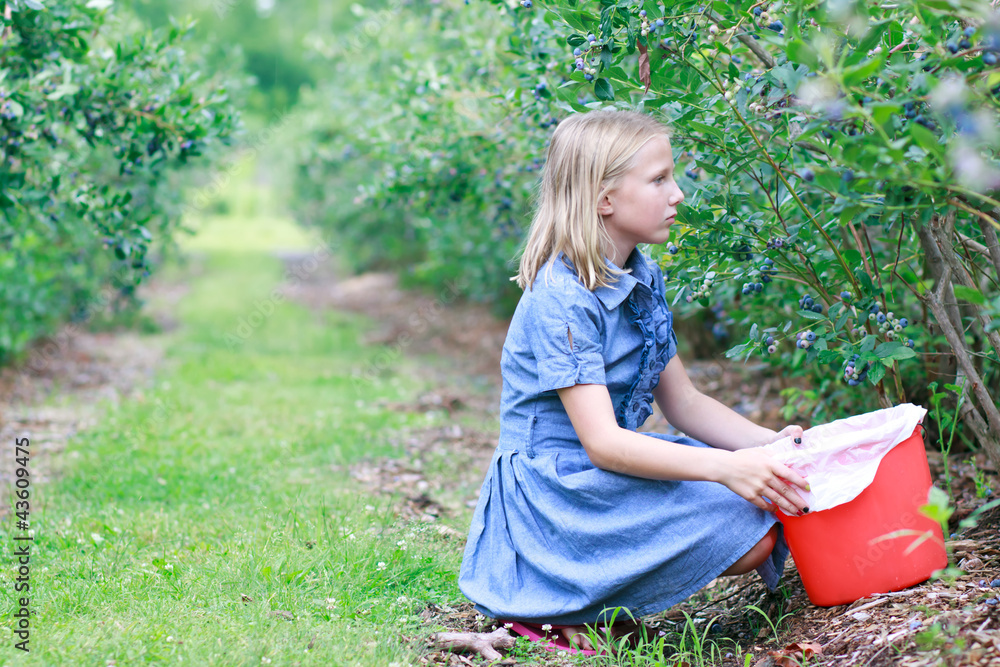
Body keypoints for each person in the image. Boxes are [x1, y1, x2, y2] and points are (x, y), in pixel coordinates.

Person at [458, 109, 811, 652]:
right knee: (749, 534)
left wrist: (773, 447)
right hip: (557, 493)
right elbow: (602, 444)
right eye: (659, 179)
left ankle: (596, 606)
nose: (678, 194)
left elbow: (685, 401)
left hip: (607, 468)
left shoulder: (641, 277)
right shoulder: (562, 299)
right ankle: (557, 604)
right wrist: (726, 468)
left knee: (762, 506)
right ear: (604, 199)